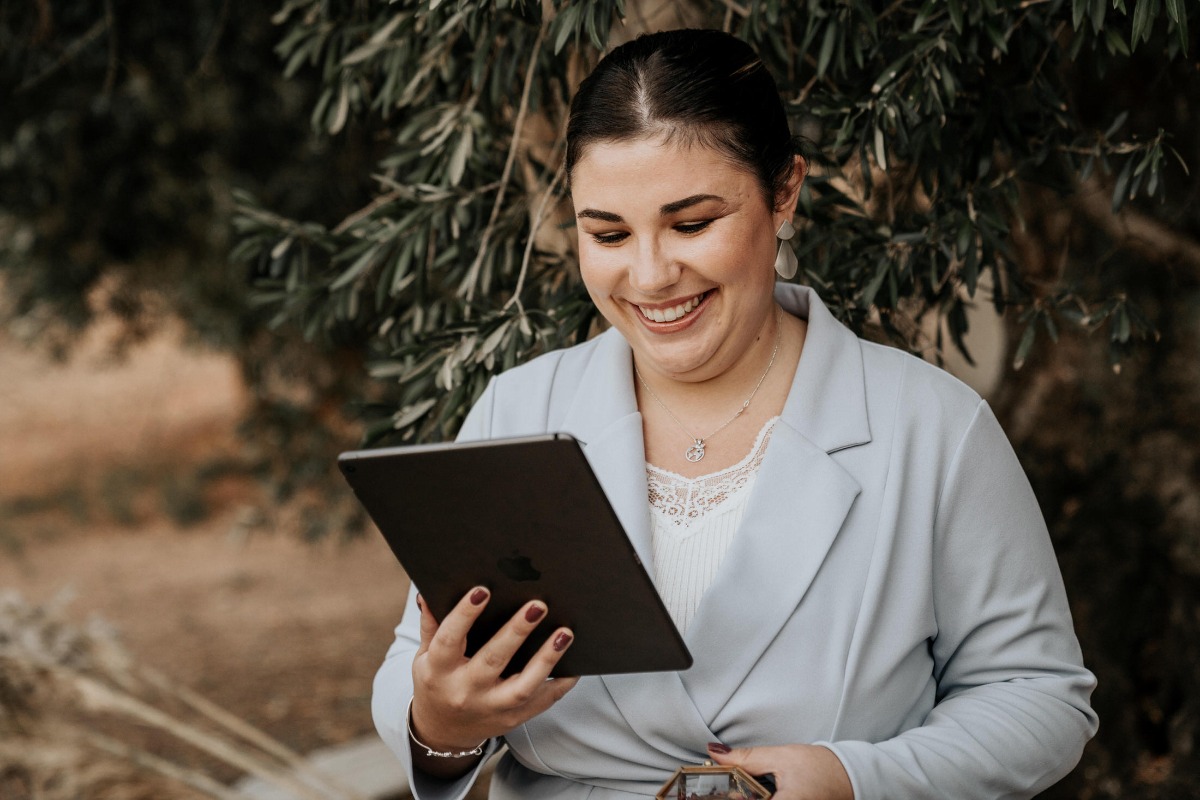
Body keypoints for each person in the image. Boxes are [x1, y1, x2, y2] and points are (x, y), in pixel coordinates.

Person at [372, 28, 1098, 800]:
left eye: (692, 224)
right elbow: (412, 664)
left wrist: (856, 780)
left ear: (784, 193)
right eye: (608, 233)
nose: (651, 275)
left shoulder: (934, 429)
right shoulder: (518, 408)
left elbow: (1040, 694)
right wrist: (440, 726)